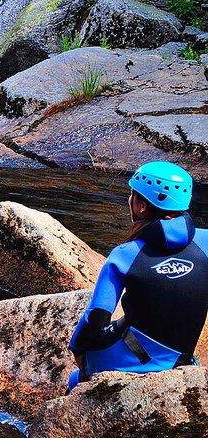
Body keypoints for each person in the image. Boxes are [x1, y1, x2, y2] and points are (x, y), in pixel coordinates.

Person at [68, 161, 208, 391]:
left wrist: (78, 350)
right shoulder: (205, 241)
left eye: (132, 195)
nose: (128, 201)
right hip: (183, 358)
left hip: (138, 358)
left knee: (76, 378)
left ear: (141, 207)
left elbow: (97, 316)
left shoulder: (125, 255)